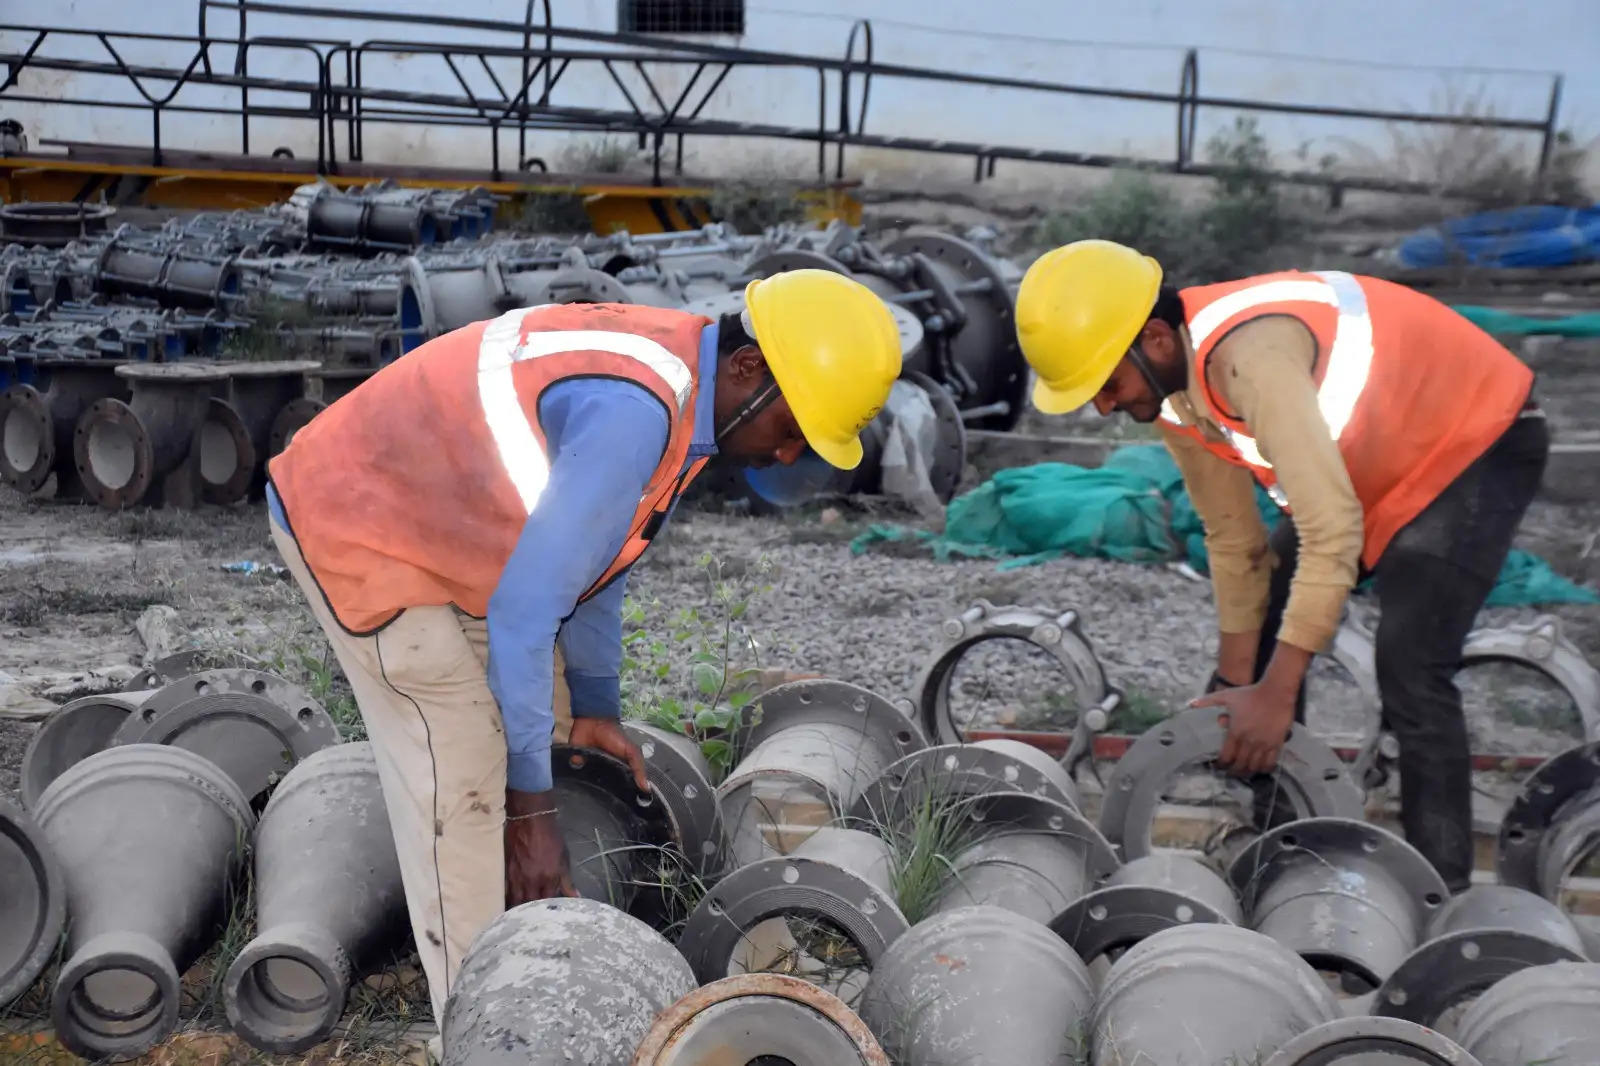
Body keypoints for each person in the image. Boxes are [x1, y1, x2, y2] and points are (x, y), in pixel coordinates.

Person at [264, 269, 903, 1025]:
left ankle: (539, 931)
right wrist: (528, 816)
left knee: (555, 729)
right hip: (357, 520)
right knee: (462, 764)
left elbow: (599, 557)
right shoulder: (635, 415)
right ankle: (485, 1021)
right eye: (794, 428)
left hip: (453, 526)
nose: (792, 456)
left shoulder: (686, 388)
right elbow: (525, 617)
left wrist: (594, 707)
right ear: (748, 368)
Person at [1014, 239, 1547, 892]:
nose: (1103, 407)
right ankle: (1280, 851)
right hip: (1380, 463)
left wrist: (1275, 692)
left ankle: (1442, 896)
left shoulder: (1252, 358)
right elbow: (1234, 540)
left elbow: (1331, 529)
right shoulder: (1177, 393)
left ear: (1154, 338)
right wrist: (1239, 681)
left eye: (1107, 385)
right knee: (1266, 641)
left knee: (1410, 663)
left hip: (1478, 441)